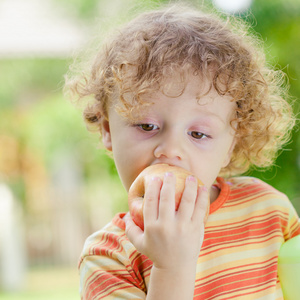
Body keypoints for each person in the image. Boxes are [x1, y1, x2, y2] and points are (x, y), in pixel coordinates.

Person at [65, 3, 300, 299]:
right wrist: (172, 267)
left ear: (231, 143)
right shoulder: (108, 258)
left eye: (198, 133)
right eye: (147, 126)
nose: (170, 150)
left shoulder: (268, 211)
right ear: (108, 130)